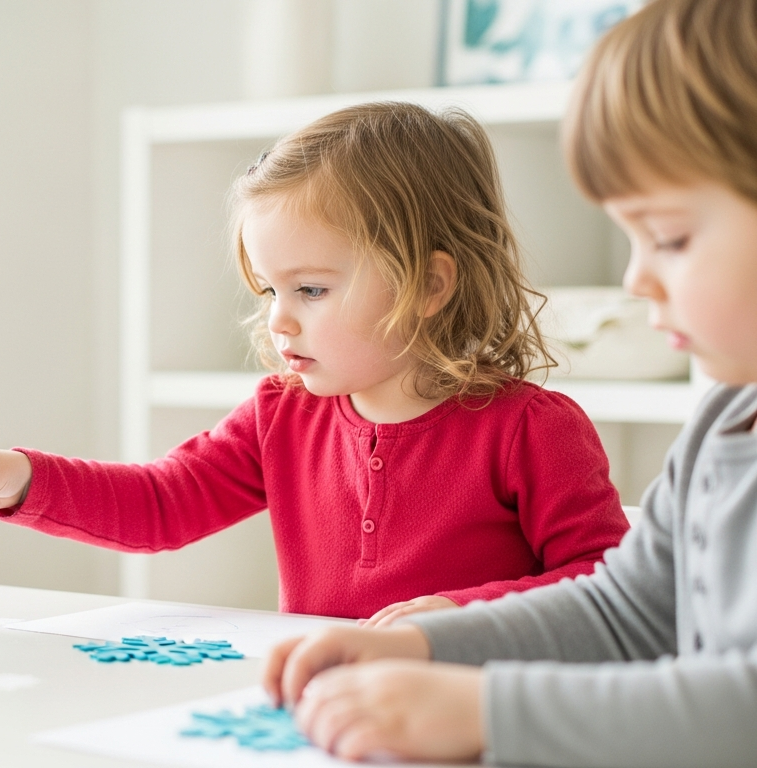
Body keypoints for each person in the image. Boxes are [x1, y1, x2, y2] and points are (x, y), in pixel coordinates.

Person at [261, 1, 757, 764]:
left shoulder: (533, 424)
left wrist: (490, 710)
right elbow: (626, 613)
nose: (635, 277)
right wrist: (427, 645)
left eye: (669, 237)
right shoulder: (726, 422)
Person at [0, 100, 628, 626]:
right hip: (325, 708)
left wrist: (465, 615)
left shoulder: (531, 429)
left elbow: (610, 580)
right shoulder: (282, 412)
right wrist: (27, 479)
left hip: (472, 714)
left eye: (311, 289)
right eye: (270, 290)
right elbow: (163, 502)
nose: (279, 318)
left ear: (428, 285)